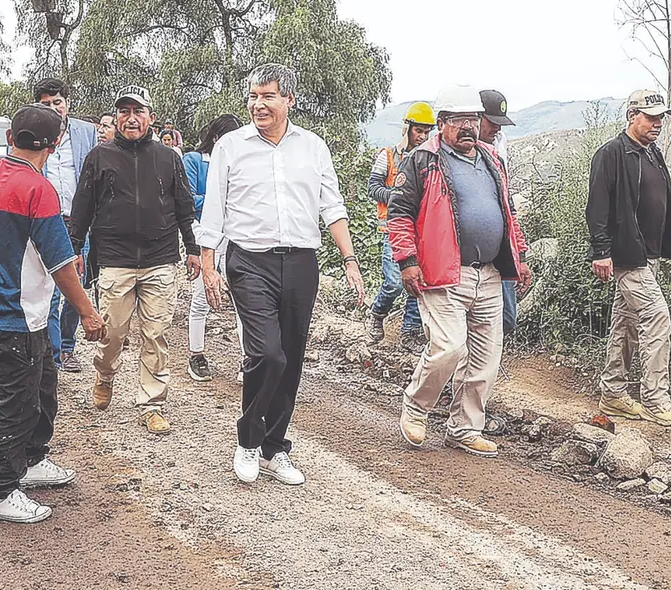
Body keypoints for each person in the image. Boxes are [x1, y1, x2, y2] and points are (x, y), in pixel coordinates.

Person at [199, 63, 364, 486]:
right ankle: (248, 440)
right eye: (253, 97)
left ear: (289, 100)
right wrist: (208, 265)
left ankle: (274, 448)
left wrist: (349, 259)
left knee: (290, 358)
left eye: (268, 96)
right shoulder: (231, 147)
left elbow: (332, 206)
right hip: (249, 261)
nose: (258, 105)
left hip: (302, 263)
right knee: (267, 353)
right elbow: (213, 209)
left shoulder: (313, 147)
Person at [0, 92, 106, 523]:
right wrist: (88, 313)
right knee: (18, 403)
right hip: (16, 318)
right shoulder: (39, 191)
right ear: (54, 145)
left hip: (4, 313)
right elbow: (61, 265)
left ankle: (32, 459)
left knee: (42, 389)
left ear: (9, 137)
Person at [390, 84, 529, 459]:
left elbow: (507, 211)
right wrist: (407, 261)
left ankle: (465, 428)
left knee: (485, 356)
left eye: (472, 119)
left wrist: (519, 254)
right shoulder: (422, 160)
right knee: (449, 347)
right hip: (442, 271)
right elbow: (399, 214)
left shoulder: (491, 159)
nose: (468, 126)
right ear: (442, 123)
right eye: (458, 120)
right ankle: (416, 407)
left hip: (490, 273)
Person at [69, 85, 201, 434]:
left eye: (138, 111)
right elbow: (82, 208)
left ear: (150, 118)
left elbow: (184, 207)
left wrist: (192, 249)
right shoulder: (99, 157)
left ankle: (151, 404)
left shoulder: (169, 158)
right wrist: (74, 249)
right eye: (124, 112)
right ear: (116, 118)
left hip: (160, 259)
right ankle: (105, 375)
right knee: (112, 333)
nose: (131, 118)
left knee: (155, 335)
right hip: (115, 260)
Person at [586, 89, 671, 427]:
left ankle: (613, 394)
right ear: (631, 116)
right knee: (657, 315)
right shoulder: (611, 153)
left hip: (649, 255)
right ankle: (655, 400)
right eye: (651, 117)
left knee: (625, 324)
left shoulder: (652, 153)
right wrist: (601, 251)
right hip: (627, 257)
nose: (657, 123)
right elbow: (597, 207)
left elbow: (669, 205)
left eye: (660, 117)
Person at [33, 78, 99, 373]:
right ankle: (53, 352)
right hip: (46, 222)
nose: (53, 108)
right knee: (50, 289)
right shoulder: (33, 132)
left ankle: (68, 347)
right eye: (46, 104)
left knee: (78, 288)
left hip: (78, 223)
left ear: (67, 104)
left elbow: (94, 176)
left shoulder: (86, 132)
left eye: (57, 102)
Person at [366, 102, 434, 353]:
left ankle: (410, 332)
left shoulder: (430, 159)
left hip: (421, 233)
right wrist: (397, 197)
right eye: (419, 131)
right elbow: (373, 187)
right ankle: (377, 313)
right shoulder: (388, 156)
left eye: (426, 132)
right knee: (394, 282)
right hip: (393, 231)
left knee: (418, 282)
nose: (423, 136)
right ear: (408, 129)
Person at [183, 113, 244, 382]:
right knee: (201, 297)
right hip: (204, 235)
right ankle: (196, 354)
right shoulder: (195, 161)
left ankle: (247, 358)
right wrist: (218, 201)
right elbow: (187, 199)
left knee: (244, 299)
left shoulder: (241, 164)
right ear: (217, 138)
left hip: (235, 236)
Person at [478, 89, 529, 337]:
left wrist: (520, 254)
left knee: (508, 318)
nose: (497, 128)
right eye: (492, 122)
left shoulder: (498, 154)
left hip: (500, 251)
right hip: (469, 261)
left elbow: (508, 209)